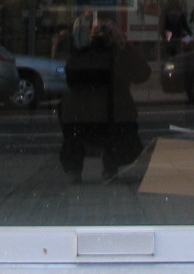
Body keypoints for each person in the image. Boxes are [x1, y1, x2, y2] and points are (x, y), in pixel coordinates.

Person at [58, 12, 151, 183]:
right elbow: (71, 75)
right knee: (74, 128)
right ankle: (75, 169)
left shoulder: (120, 52)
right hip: (84, 109)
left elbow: (143, 74)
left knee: (120, 129)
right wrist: (86, 45)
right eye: (98, 28)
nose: (102, 33)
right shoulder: (83, 51)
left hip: (112, 109)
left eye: (106, 29)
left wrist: (121, 44)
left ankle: (109, 167)